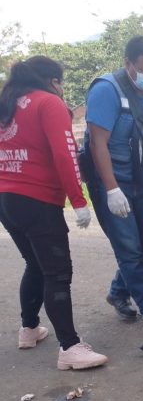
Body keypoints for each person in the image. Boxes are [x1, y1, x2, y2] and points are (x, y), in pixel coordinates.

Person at [0, 56, 108, 370]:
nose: (62, 88)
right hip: (37, 200)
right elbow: (65, 154)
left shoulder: (8, 103)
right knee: (57, 273)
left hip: (7, 199)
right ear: (52, 81)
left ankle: (29, 328)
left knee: (34, 263)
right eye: (61, 82)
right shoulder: (49, 104)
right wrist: (79, 200)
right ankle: (70, 347)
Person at [84, 35, 143, 332]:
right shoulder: (106, 90)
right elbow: (97, 144)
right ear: (128, 64)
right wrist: (111, 189)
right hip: (114, 184)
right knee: (129, 250)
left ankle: (117, 292)